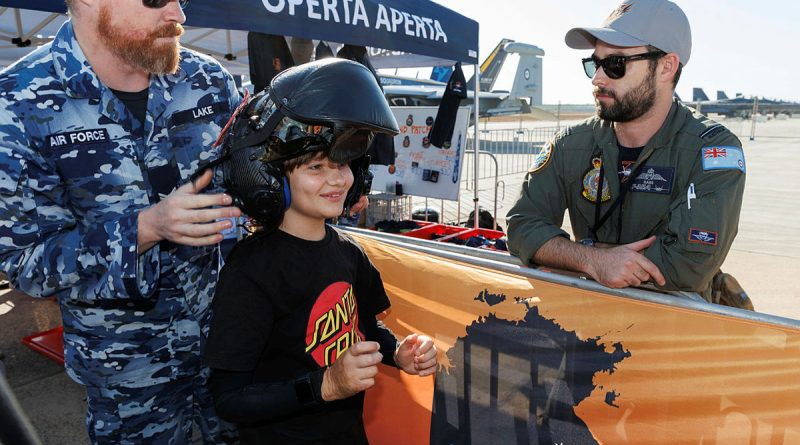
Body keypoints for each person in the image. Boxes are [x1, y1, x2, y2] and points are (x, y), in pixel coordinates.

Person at [0, 0, 243, 442]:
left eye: (181, 0)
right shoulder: (17, 102)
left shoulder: (207, 80)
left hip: (232, 343)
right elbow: (27, 265)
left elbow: (244, 190)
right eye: (156, 0)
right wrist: (145, 228)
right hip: (127, 372)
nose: (178, 16)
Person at [203, 59, 439, 444]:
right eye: (315, 166)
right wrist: (324, 386)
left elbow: (366, 327)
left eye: (344, 164)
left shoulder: (349, 253)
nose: (337, 178)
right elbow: (229, 399)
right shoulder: (252, 270)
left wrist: (398, 352)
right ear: (272, 176)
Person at [506, 0, 747, 304]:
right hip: (588, 319)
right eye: (594, 64)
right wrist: (592, 260)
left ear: (666, 67)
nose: (597, 79)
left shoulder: (712, 150)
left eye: (615, 65)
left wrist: (579, 254)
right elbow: (521, 227)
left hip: (677, 327)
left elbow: (689, 265)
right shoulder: (570, 144)